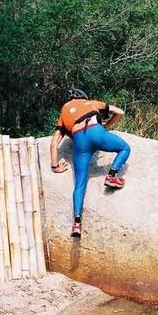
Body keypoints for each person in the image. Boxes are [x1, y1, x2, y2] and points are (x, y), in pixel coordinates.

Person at [50, 89, 130, 238]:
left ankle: (77, 224)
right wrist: (106, 127)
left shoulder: (64, 113)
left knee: (80, 184)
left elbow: (54, 143)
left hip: (80, 142)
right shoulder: (92, 103)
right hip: (97, 132)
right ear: (83, 97)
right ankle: (112, 175)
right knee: (125, 148)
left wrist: (55, 166)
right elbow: (119, 112)